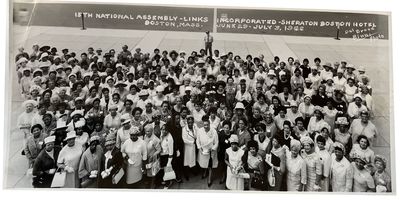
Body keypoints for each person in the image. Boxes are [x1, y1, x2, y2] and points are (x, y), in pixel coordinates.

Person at [196, 115, 219, 187]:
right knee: (204, 164)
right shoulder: (200, 131)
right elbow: (197, 141)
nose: (206, 126)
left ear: (209, 124)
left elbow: (216, 142)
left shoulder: (214, 131)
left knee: (210, 166)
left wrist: (212, 149)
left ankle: (209, 179)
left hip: (211, 151)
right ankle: (204, 172)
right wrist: (200, 148)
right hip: (203, 151)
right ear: (203, 124)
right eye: (204, 125)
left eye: (207, 125)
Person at [143, 124, 161, 189]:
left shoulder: (155, 139)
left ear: (152, 131)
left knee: (153, 173)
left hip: (152, 158)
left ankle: (153, 185)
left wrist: (153, 155)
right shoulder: (145, 136)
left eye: (148, 131)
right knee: (147, 172)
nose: (146, 133)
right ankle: (148, 184)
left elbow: (159, 150)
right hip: (146, 158)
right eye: (146, 131)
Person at [159, 124, 175, 188]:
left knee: (168, 169)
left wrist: (169, 162)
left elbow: (171, 152)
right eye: (163, 129)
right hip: (162, 155)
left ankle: (168, 183)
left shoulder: (170, 138)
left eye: (166, 130)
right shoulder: (161, 134)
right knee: (164, 170)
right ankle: (166, 181)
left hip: (167, 156)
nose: (164, 131)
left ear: (168, 130)